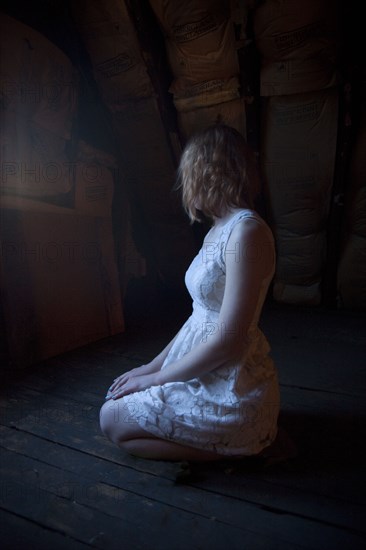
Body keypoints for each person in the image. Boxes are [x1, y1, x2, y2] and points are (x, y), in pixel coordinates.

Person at [100, 123, 280, 461]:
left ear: (209, 173)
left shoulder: (247, 232)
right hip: (200, 365)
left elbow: (230, 340)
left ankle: (244, 447)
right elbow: (200, 315)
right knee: (113, 407)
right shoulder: (218, 230)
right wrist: (151, 367)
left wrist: (156, 380)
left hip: (230, 382)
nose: (185, 185)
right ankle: (232, 443)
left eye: (189, 174)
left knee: (113, 420)